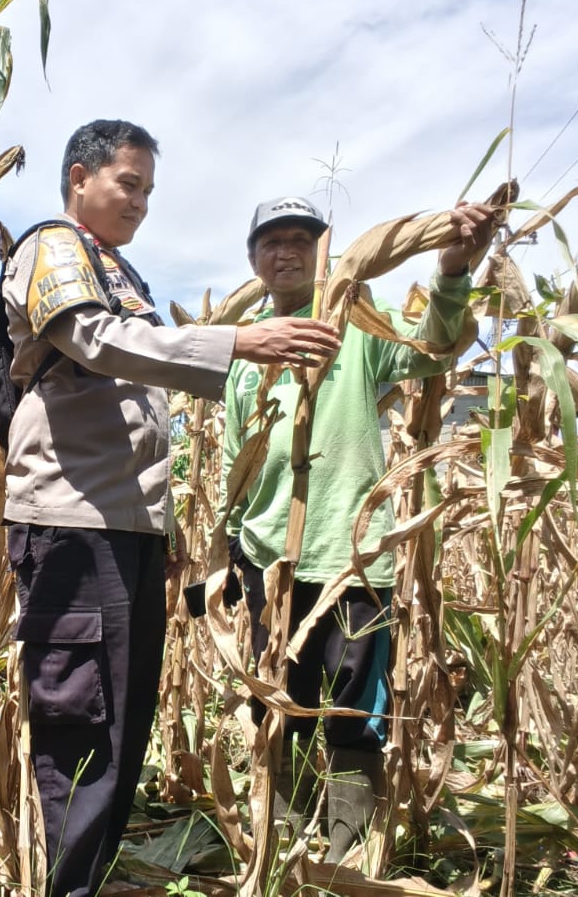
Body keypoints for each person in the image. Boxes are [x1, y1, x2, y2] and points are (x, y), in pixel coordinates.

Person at [1, 120, 339, 897]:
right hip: (73, 523)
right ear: (80, 176)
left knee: (121, 715)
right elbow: (89, 337)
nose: (142, 203)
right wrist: (238, 342)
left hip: (125, 529)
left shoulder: (122, 271)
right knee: (80, 718)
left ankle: (87, 874)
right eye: (130, 183)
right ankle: (67, 886)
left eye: (150, 189)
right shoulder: (55, 246)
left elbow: (161, 373)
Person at [219, 191, 498, 863]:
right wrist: (231, 544)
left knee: (350, 709)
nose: (285, 250)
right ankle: (276, 837)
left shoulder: (358, 328)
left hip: (352, 559)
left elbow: (433, 347)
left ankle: (347, 850)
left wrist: (453, 266)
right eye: (271, 240)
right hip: (268, 561)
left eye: (300, 238)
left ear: (324, 254)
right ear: (255, 258)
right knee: (274, 701)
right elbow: (234, 459)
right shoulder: (244, 351)